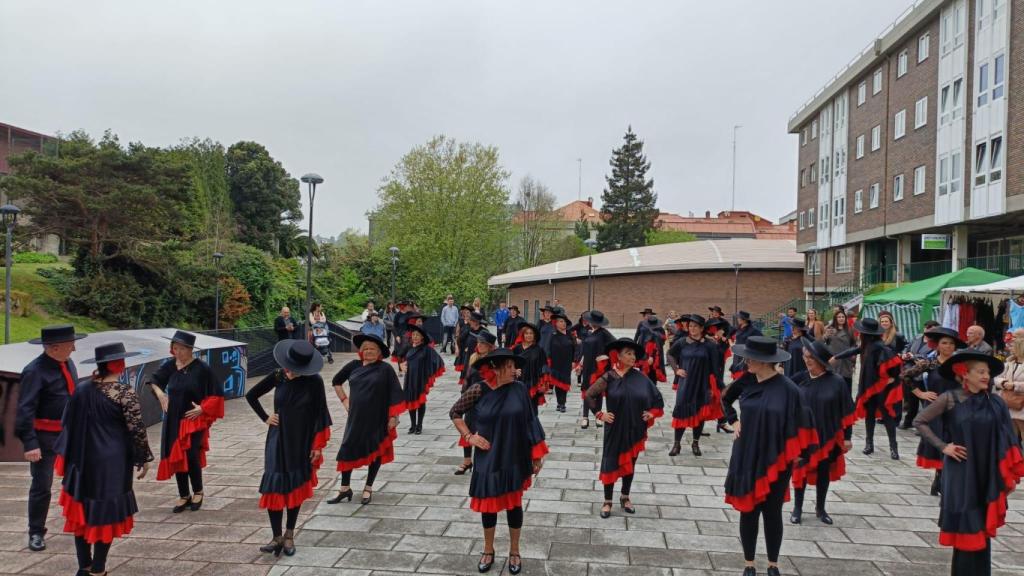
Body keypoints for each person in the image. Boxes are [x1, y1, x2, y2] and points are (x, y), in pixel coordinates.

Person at [913, 350, 1024, 576]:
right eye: (980, 371)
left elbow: (1008, 436)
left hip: (987, 470)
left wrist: (1007, 473)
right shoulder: (950, 398)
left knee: (982, 526)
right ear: (965, 373)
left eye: (988, 372)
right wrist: (944, 446)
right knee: (966, 523)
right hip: (961, 471)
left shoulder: (997, 402)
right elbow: (920, 421)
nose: (986, 376)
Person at [723, 337, 817, 576]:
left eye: (750, 358)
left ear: (765, 361)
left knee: (772, 511)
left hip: (776, 457)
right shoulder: (745, 380)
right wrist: (733, 421)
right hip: (746, 452)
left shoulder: (789, 389)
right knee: (749, 510)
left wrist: (799, 454)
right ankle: (749, 564)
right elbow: (725, 399)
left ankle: (773, 564)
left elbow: (804, 423)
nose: (745, 362)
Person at [55, 342, 151, 576]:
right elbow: (137, 428)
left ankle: (83, 566)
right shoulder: (125, 393)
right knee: (106, 514)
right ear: (119, 364)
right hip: (112, 462)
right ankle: (98, 570)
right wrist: (144, 457)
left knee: (82, 512)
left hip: (82, 458)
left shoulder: (81, 389)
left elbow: (67, 423)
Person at [450, 348, 548, 575]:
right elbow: (455, 412)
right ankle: (488, 549)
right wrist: (469, 436)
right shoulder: (479, 389)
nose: (516, 370)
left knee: (514, 505)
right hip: (489, 456)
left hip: (515, 454)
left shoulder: (520, 389)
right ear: (497, 368)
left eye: (515, 367)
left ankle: (515, 550)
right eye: (511, 367)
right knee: (489, 504)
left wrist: (537, 455)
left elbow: (530, 421)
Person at [247, 339, 331, 557]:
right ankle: (276, 537)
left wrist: (317, 446)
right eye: (289, 367)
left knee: (294, 485)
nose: (290, 372)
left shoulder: (314, 381)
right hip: (277, 438)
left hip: (302, 440)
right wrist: (266, 417)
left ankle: (289, 535)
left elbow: (321, 414)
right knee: (274, 484)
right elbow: (251, 395)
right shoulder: (278, 375)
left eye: (296, 370)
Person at [15, 324, 87, 552]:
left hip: (71, 433)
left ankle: (80, 520)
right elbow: (25, 409)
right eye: (70, 344)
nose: (74, 348)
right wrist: (30, 443)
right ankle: (36, 532)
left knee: (79, 478)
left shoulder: (67, 362)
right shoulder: (34, 371)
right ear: (55, 348)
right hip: (45, 437)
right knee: (42, 485)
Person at [147, 330, 225, 513]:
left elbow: (217, 393)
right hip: (173, 418)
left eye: (182, 349)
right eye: (175, 348)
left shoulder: (202, 368)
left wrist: (203, 408)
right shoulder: (170, 366)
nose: (178, 352)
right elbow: (154, 380)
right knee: (176, 456)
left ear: (190, 350)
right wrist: (160, 394)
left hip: (192, 419)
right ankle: (184, 495)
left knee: (190, 455)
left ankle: (198, 491)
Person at [587, 338, 664, 519]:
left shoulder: (641, 377)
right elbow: (590, 394)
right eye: (628, 353)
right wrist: (599, 414)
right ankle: (607, 501)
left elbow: (658, 398)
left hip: (635, 427)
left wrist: (652, 413)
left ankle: (625, 496)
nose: (632, 356)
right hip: (614, 427)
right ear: (618, 357)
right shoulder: (609, 377)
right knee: (610, 461)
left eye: (633, 353)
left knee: (631, 463)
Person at [329, 334, 405, 505]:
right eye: (365, 349)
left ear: (379, 352)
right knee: (347, 449)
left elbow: (395, 393)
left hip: (377, 417)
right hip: (356, 417)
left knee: (376, 449)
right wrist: (344, 401)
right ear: (361, 351)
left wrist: (394, 417)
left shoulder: (385, 369)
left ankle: (368, 487)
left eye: (372, 349)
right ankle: (344, 488)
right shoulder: (353, 366)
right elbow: (336, 381)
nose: (368, 351)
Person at [789, 339, 854, 525]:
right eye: (805, 356)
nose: (806, 360)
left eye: (810, 357)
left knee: (823, 472)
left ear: (820, 361)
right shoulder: (799, 378)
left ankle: (820, 508)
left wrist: (847, 438)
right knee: (800, 470)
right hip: (803, 436)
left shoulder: (837, 382)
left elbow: (846, 411)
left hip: (827, 435)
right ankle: (797, 508)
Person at [901, 326, 965, 495]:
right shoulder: (929, 363)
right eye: (944, 343)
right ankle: (940, 480)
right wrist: (921, 393)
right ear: (937, 345)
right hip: (936, 410)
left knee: (954, 442)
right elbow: (906, 376)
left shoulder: (960, 365)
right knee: (940, 443)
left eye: (951, 343)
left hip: (957, 409)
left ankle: (941, 480)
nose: (948, 346)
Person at [833, 318, 903, 459]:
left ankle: (893, 447)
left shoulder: (880, 347)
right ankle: (869, 444)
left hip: (880, 387)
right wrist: (836, 356)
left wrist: (893, 377)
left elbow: (895, 363)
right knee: (870, 414)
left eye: (862, 332)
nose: (859, 334)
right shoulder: (868, 345)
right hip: (869, 384)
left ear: (867, 334)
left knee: (886, 416)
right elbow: (854, 350)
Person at [666, 314, 723, 457]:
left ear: (702, 328)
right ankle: (676, 444)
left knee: (700, 414)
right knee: (681, 412)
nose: (692, 329)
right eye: (690, 326)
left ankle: (695, 443)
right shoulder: (682, 342)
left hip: (703, 384)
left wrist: (714, 387)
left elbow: (716, 368)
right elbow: (670, 354)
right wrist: (676, 369)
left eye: (695, 326)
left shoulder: (709, 345)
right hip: (686, 383)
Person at [454, 331, 499, 475]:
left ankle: (488, 460)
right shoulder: (473, 358)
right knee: (468, 428)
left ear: (490, 346)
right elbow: (467, 378)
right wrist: (464, 395)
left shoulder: (496, 361)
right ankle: (467, 461)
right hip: (472, 401)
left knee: (488, 430)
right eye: (478, 343)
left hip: (489, 400)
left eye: (482, 343)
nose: (479, 345)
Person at [400, 324, 445, 435]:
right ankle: (412, 425)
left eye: (417, 335)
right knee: (410, 400)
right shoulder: (409, 348)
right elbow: (401, 358)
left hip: (420, 379)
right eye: (413, 335)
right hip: (409, 378)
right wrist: (402, 365)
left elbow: (438, 361)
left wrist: (428, 373)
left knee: (420, 401)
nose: (414, 337)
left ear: (422, 337)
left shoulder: (427, 349)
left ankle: (419, 425)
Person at [899, 320, 942, 429]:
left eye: (931, 328)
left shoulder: (936, 343)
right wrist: (905, 354)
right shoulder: (917, 338)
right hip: (911, 370)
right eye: (927, 327)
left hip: (924, 376)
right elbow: (907, 348)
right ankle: (909, 421)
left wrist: (913, 356)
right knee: (911, 400)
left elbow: (929, 357)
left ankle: (924, 423)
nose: (928, 330)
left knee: (926, 402)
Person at [579, 310, 617, 430]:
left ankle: (598, 415)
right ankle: (585, 417)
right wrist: (580, 363)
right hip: (587, 366)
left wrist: (607, 356)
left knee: (597, 391)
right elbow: (585, 350)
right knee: (586, 391)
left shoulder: (604, 333)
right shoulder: (589, 333)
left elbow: (616, 345)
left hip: (599, 367)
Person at [995, 328, 1024, 441]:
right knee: (1011, 437)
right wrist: (1003, 382)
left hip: (1021, 405)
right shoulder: (1008, 363)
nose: (1009, 347)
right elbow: (996, 378)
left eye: (1013, 345)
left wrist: (1014, 385)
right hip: (1008, 404)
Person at [513, 322, 548, 412]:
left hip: (533, 382)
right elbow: (509, 364)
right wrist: (514, 370)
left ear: (534, 336)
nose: (529, 335)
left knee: (532, 410)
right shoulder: (516, 349)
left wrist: (543, 384)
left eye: (531, 333)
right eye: (526, 333)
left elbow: (544, 367)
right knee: (518, 409)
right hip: (517, 382)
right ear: (523, 335)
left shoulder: (539, 350)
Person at [547, 312, 576, 413]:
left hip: (567, 363)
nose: (563, 324)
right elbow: (549, 349)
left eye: (564, 322)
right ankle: (560, 403)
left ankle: (563, 403)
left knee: (565, 383)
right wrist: (549, 361)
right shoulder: (553, 335)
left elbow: (575, 348)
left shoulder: (570, 334)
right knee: (557, 383)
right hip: (556, 363)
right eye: (561, 321)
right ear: (556, 323)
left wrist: (574, 361)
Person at [823, 310, 855, 393]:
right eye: (839, 317)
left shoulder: (850, 330)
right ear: (835, 319)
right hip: (833, 360)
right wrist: (826, 335)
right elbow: (822, 342)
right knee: (833, 386)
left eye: (843, 317)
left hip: (846, 362)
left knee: (846, 387)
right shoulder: (830, 329)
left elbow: (853, 345)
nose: (841, 319)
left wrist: (853, 360)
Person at [458, 312, 488, 385]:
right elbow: (460, 339)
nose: (469, 322)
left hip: (480, 357)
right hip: (469, 356)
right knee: (467, 374)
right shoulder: (469, 330)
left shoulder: (484, 331)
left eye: (471, 321)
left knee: (477, 375)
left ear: (476, 322)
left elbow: (489, 344)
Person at [636, 316, 667, 384]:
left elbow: (661, 342)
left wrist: (652, 356)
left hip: (655, 356)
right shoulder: (643, 328)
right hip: (644, 354)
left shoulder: (660, 330)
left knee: (653, 373)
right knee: (644, 372)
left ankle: (652, 389)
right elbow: (638, 339)